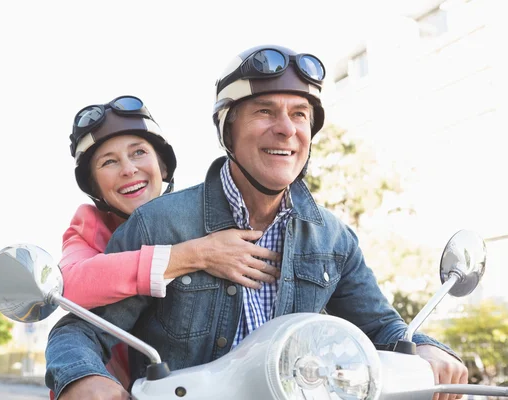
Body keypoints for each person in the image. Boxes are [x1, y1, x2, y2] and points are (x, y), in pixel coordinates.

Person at [46, 46, 468, 400]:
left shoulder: (334, 238)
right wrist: (83, 376)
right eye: (265, 111)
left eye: (300, 114)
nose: (286, 130)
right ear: (228, 130)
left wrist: (427, 350)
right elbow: (82, 329)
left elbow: (382, 326)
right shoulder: (158, 224)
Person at [52, 94, 280, 398]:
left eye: (138, 153)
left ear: (162, 165)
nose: (128, 169)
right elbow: (69, 286)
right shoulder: (87, 227)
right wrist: (193, 255)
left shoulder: (198, 218)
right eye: (109, 162)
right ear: (94, 187)